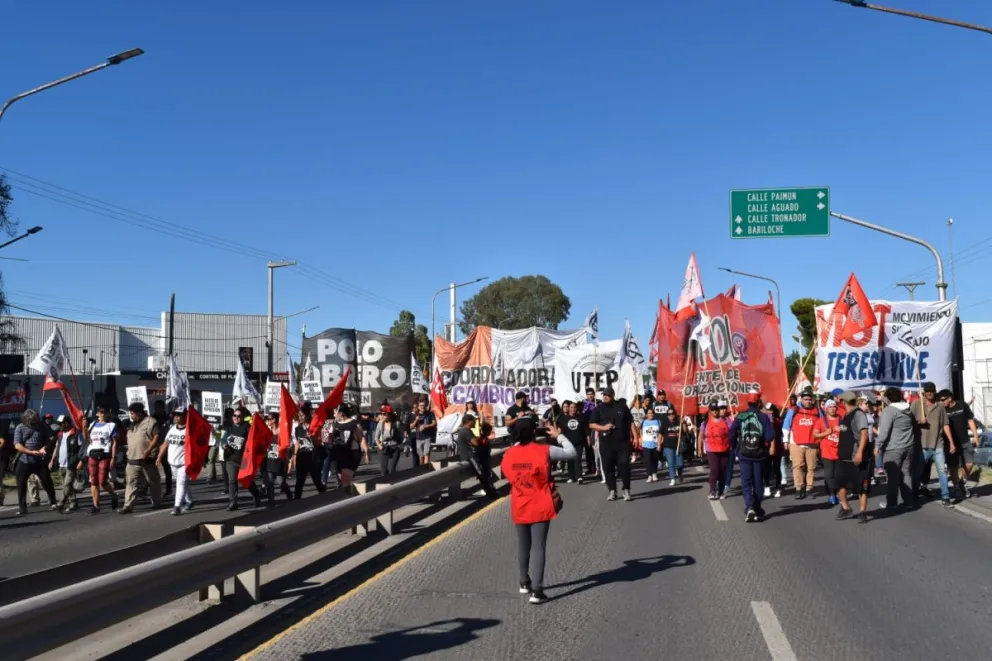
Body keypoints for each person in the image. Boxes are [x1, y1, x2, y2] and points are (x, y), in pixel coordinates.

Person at [500, 418, 576, 605]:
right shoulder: (544, 450)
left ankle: (524, 582)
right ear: (534, 432)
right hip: (540, 502)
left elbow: (506, 471)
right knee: (538, 546)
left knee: (523, 544)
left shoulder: (509, 453)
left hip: (520, 502)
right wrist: (559, 436)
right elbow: (571, 452)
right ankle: (537, 590)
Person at [730, 393, 774, 522]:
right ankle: (757, 506)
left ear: (748, 402)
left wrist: (735, 447)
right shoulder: (764, 417)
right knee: (758, 482)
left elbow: (732, 434)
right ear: (759, 403)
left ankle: (749, 507)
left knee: (746, 482)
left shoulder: (740, 416)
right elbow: (769, 436)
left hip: (744, 454)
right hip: (759, 455)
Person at [911, 382, 955, 507]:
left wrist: (951, 442)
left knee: (942, 472)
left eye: (932, 390)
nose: (929, 393)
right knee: (918, 472)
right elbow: (908, 422)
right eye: (927, 391)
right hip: (922, 445)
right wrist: (919, 422)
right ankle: (914, 494)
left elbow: (945, 424)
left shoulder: (940, 406)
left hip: (938, 444)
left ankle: (945, 497)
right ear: (924, 392)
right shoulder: (916, 404)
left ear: (935, 392)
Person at [588, 387, 635, 502]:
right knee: (608, 467)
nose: (605, 396)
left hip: (622, 442)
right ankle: (612, 490)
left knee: (624, 465)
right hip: (606, 443)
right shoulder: (599, 408)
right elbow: (591, 424)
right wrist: (604, 427)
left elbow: (630, 422)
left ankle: (626, 489)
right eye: (604, 394)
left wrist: (636, 436)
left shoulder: (622, 406)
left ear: (613, 395)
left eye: (608, 395)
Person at [876, 387, 917, 510]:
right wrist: (884, 398)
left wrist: (877, 445)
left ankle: (892, 502)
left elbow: (884, 431)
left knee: (893, 477)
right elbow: (894, 402)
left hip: (893, 448)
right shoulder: (908, 409)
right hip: (908, 446)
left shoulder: (889, 411)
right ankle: (908, 501)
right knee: (906, 474)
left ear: (888, 398)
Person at [834, 391, 872, 522]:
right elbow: (850, 430)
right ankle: (846, 508)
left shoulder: (858, 414)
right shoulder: (847, 414)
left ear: (843, 402)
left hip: (856, 456)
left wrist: (859, 453)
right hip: (844, 457)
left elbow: (864, 434)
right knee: (839, 484)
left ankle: (862, 511)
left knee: (862, 485)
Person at [12, 409, 58, 515]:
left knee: (47, 481)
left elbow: (52, 438)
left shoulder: (43, 426)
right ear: (28, 419)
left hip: (40, 460)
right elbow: (17, 445)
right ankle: (22, 508)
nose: (37, 420)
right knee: (21, 483)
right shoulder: (20, 428)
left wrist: (45, 447)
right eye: (35, 418)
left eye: (37, 418)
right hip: (24, 459)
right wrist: (31, 452)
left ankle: (53, 502)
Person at [120, 402, 162, 514]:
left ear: (140, 413)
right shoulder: (131, 424)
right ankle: (128, 505)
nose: (131, 416)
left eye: (133, 413)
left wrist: (148, 450)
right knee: (131, 483)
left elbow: (157, 436)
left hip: (147, 459)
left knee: (153, 482)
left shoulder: (150, 422)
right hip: (132, 459)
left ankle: (156, 503)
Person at [939, 389, 979, 500]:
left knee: (969, 464)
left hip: (965, 440)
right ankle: (957, 487)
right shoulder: (941, 409)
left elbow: (970, 420)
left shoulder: (962, 405)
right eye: (940, 400)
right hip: (950, 443)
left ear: (950, 398)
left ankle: (962, 481)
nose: (941, 402)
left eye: (943, 400)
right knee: (953, 467)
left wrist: (975, 436)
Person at [783, 389, 822, 499]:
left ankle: (809, 488)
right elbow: (786, 425)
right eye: (806, 399)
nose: (808, 401)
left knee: (811, 467)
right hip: (796, 443)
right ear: (801, 399)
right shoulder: (794, 410)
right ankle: (799, 488)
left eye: (810, 399)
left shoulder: (817, 411)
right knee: (798, 466)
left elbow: (822, 425)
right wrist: (785, 440)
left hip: (812, 443)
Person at [222, 407, 262, 511]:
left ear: (243, 417)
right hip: (231, 459)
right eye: (234, 415)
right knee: (232, 480)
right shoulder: (229, 428)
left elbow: (255, 438)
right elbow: (223, 439)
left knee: (247, 480)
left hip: (244, 460)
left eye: (239, 416)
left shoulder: (247, 428)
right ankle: (233, 502)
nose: (236, 418)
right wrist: (224, 445)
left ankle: (256, 495)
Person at [157, 408, 195, 515]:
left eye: (179, 415)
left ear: (185, 416)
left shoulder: (190, 430)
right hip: (172, 462)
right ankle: (190, 501)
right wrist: (159, 456)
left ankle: (177, 506)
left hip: (184, 462)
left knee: (181, 483)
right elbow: (166, 443)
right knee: (182, 482)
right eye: (175, 415)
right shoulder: (172, 428)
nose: (176, 417)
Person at [326, 403, 370, 490]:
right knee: (343, 480)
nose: (334, 414)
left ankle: (353, 494)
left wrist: (367, 452)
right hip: (339, 454)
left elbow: (361, 439)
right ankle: (353, 492)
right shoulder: (334, 425)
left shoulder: (354, 424)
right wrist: (330, 434)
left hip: (352, 454)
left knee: (346, 478)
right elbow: (329, 439)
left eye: (335, 412)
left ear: (341, 413)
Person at [85, 407, 120, 514]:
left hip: (104, 454)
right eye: (101, 412)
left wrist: (113, 458)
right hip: (92, 454)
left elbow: (115, 443)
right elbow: (87, 438)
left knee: (102, 481)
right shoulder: (92, 425)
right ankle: (96, 506)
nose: (103, 414)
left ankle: (113, 495)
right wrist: (83, 426)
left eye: (105, 412)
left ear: (108, 414)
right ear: (97, 414)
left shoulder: (111, 425)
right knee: (93, 481)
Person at [454, 414, 498, 498]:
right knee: (480, 473)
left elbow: (474, 442)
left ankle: (489, 490)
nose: (475, 423)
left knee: (482, 473)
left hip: (470, 456)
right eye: (474, 421)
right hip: (469, 456)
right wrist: (476, 440)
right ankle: (490, 491)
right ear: (469, 422)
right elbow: (476, 443)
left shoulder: (466, 431)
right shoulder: (466, 431)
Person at [290, 403, 325, 498]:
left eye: (302, 415)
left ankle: (325, 497)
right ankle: (296, 501)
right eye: (299, 415)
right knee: (299, 481)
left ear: (307, 415)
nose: (300, 417)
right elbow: (297, 443)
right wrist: (294, 456)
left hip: (313, 457)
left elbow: (320, 442)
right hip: (302, 457)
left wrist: (313, 437)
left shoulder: (314, 426)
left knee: (317, 480)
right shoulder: (298, 429)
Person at [51, 415, 85, 513]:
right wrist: (52, 460)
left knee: (67, 484)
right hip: (61, 464)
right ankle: (74, 502)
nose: (59, 426)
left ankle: (61, 503)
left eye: (60, 424)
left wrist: (81, 461)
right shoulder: (60, 434)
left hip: (71, 463)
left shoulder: (76, 433)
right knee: (66, 485)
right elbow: (57, 447)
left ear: (66, 423)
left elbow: (82, 448)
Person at [698, 399, 731, 500]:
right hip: (711, 450)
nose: (715, 411)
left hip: (724, 449)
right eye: (713, 409)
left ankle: (720, 490)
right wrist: (699, 449)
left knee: (722, 471)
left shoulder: (726, 421)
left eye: (716, 409)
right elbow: (700, 436)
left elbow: (732, 433)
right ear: (709, 410)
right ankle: (712, 490)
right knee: (714, 469)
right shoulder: (705, 423)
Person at [814, 400, 842, 506]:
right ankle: (832, 494)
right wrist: (826, 433)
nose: (833, 409)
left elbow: (848, 430)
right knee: (829, 475)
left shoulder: (841, 419)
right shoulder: (821, 420)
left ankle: (838, 493)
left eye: (834, 407)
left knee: (838, 475)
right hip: (827, 452)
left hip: (840, 451)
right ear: (826, 409)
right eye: (830, 407)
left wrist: (842, 429)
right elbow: (815, 435)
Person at [262, 412, 293, 505]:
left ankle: (289, 493)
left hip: (279, 461)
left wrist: (288, 458)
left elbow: (289, 445)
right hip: (269, 460)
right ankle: (271, 500)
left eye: (269, 419)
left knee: (281, 483)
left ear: (274, 420)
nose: (267, 421)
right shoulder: (267, 431)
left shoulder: (282, 432)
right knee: (270, 482)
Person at [556, 401, 587, 484]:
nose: (573, 409)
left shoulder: (581, 418)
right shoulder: (563, 419)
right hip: (568, 442)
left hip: (579, 442)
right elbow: (559, 430)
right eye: (571, 407)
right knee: (570, 459)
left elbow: (585, 429)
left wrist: (587, 438)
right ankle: (571, 476)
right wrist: (556, 435)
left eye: (574, 407)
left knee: (577, 458)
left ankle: (579, 476)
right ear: (568, 408)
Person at [762, 403, 784, 498]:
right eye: (768, 410)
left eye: (771, 410)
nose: (769, 412)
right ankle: (767, 486)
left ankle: (778, 487)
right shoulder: (763, 420)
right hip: (765, 448)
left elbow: (781, 434)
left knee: (776, 468)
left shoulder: (779, 421)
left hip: (777, 448)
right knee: (765, 468)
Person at [152, 400, 173, 499]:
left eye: (159, 407)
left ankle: (169, 489)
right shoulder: (152, 419)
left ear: (163, 408)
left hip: (166, 446)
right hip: (154, 446)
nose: (157, 409)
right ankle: (151, 489)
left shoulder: (168, 418)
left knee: (167, 468)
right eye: (156, 408)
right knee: (152, 469)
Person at [207, 408, 232, 489]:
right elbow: (219, 435)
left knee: (227, 466)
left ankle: (228, 485)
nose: (227, 416)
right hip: (222, 446)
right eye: (227, 414)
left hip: (229, 447)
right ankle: (226, 486)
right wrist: (215, 433)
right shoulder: (222, 424)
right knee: (223, 466)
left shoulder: (234, 424)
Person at [374, 410, 404, 476]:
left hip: (394, 447)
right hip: (384, 448)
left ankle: (394, 479)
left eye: (385, 414)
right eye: (382, 414)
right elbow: (376, 438)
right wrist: (379, 446)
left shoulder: (396, 424)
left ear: (390, 415)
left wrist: (401, 444)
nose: (382, 415)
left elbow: (401, 435)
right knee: (383, 471)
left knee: (391, 470)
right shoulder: (380, 424)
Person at [659, 408, 683, 485]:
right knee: (671, 463)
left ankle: (680, 474)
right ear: (667, 415)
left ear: (675, 414)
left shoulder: (679, 421)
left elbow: (685, 431)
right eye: (669, 414)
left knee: (680, 464)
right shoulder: (664, 423)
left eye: (672, 413)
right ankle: (672, 478)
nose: (671, 415)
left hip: (678, 446)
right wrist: (658, 444)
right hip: (668, 446)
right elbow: (660, 434)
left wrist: (683, 424)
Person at [411, 401, 437, 466]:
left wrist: (426, 426)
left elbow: (434, 423)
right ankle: (422, 467)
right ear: (418, 407)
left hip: (427, 437)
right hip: (419, 437)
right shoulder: (415, 415)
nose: (423, 407)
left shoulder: (430, 414)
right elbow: (410, 427)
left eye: (424, 405)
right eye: (421, 405)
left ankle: (426, 468)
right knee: (421, 455)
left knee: (426, 454)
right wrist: (416, 420)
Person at [641, 406, 661, 483]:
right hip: (646, 444)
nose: (651, 414)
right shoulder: (644, 422)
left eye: (652, 413)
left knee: (655, 460)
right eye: (649, 413)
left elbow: (660, 433)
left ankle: (654, 473)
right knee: (648, 460)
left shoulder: (658, 421)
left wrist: (659, 443)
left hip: (655, 444)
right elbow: (640, 430)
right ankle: (649, 475)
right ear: (646, 415)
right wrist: (641, 439)